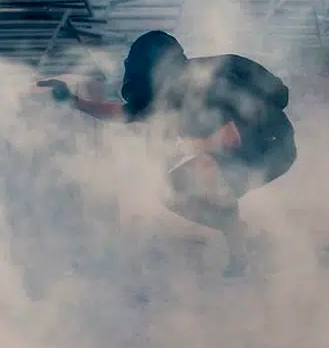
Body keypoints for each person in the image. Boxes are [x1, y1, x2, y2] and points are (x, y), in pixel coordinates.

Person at [39, 31, 297, 277]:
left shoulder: (207, 83)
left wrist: (185, 148)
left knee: (203, 172)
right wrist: (73, 101)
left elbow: (231, 137)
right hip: (245, 152)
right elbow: (122, 113)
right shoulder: (163, 91)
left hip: (273, 145)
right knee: (174, 191)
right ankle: (245, 243)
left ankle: (244, 246)